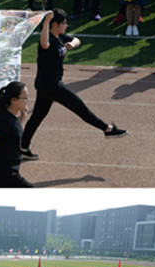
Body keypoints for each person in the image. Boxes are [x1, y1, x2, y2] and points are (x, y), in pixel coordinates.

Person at [20, 9, 127, 160]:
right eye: (64, 23)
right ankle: (107, 129)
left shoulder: (60, 37)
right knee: (80, 108)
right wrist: (46, 21)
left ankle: (23, 147)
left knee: (37, 116)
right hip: (52, 85)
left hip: (46, 84)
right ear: (55, 25)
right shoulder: (47, 39)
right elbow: (44, 44)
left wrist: (72, 44)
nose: (66, 25)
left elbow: (77, 39)